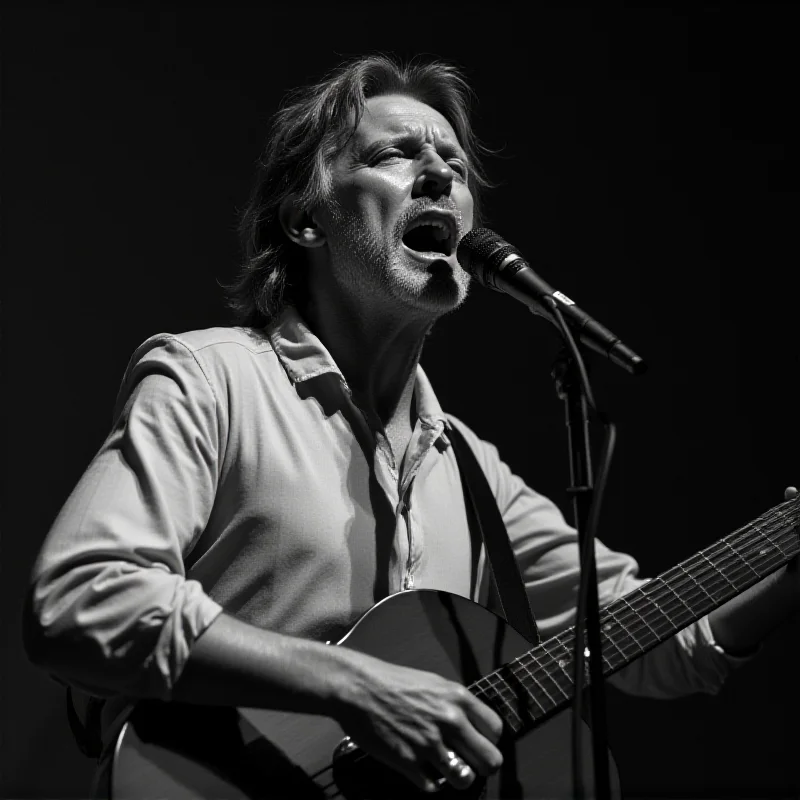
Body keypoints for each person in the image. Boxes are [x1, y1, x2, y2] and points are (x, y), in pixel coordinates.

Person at [23, 54, 799, 797]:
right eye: (396, 154)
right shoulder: (212, 379)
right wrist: (353, 686)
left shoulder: (465, 465)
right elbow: (81, 598)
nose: (439, 176)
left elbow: (662, 640)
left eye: (456, 168)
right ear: (304, 219)